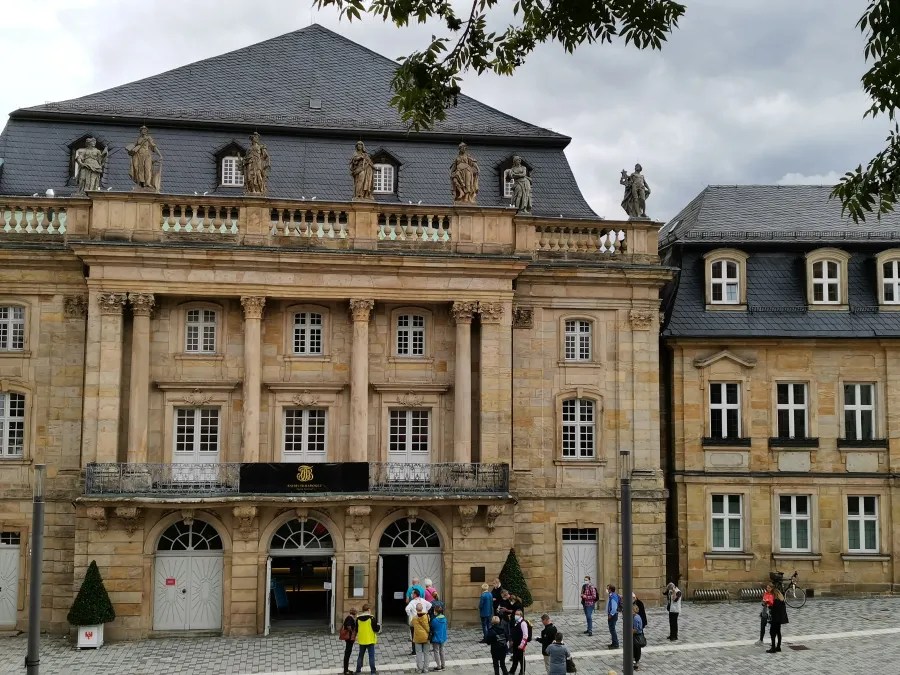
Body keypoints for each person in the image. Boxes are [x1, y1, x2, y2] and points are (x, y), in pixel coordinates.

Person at [127, 125, 162, 190]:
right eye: (142, 130)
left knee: (148, 168)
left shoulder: (149, 138)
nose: (143, 131)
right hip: (139, 155)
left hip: (147, 155)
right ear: (140, 131)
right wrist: (129, 149)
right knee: (140, 169)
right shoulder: (138, 139)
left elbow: (154, 147)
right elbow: (133, 146)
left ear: (146, 131)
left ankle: (148, 183)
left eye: (145, 130)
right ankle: (141, 183)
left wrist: (160, 155)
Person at [354, 604, 380, 674]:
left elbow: (356, 629)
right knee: (371, 657)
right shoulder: (372, 618)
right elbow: (376, 629)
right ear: (368, 610)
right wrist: (378, 625)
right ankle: (373, 672)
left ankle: (358, 670)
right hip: (370, 640)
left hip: (362, 640)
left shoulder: (358, 619)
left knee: (360, 656)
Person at [405, 590, 432, 656]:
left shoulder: (412, 602)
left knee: (414, 636)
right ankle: (423, 649)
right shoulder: (423, 600)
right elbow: (430, 605)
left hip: (415, 620)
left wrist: (410, 615)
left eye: (412, 593)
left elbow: (407, 609)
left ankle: (414, 651)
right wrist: (426, 611)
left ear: (415, 594)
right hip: (423, 619)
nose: (411, 595)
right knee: (424, 633)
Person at [767, 586, 789, 653]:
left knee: (772, 632)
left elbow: (773, 609)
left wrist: (769, 605)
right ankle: (778, 647)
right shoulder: (781, 600)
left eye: (769, 588)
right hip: (779, 619)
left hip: (775, 619)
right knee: (778, 632)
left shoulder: (775, 601)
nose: (767, 589)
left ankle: (773, 648)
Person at [411, 602, 431, 673]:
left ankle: (419, 669)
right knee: (426, 653)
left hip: (418, 638)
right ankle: (426, 669)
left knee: (418, 653)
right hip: (426, 637)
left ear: (416, 609)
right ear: (422, 608)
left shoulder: (414, 618)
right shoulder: (427, 616)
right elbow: (428, 627)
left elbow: (411, 625)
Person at [508, 609, 529, 675]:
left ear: (521, 615)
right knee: (515, 657)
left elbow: (525, 635)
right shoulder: (516, 622)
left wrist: (522, 645)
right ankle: (512, 670)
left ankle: (522, 671)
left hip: (520, 644)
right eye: (515, 614)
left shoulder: (523, 623)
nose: (516, 615)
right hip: (515, 643)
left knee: (521, 658)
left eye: (517, 614)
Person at [430, 601, 448, 671]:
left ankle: (438, 666)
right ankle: (443, 664)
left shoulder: (434, 620)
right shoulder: (445, 619)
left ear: (436, 612)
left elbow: (432, 628)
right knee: (442, 651)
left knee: (436, 652)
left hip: (436, 638)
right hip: (443, 637)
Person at [341, 607, 358, 675]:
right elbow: (348, 626)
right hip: (349, 638)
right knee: (347, 654)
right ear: (354, 613)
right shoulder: (350, 618)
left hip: (349, 638)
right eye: (356, 612)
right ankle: (345, 671)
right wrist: (352, 631)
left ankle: (346, 669)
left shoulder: (350, 618)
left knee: (348, 653)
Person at [606, 584, 621, 649]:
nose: (606, 590)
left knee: (612, 630)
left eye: (607, 588)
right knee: (612, 630)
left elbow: (614, 608)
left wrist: (610, 615)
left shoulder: (613, 596)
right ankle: (613, 643)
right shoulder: (611, 595)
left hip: (613, 615)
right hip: (612, 615)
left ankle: (616, 644)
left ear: (610, 590)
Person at [632, 602, 645, 671]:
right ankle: (635, 662)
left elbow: (636, 629)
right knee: (636, 649)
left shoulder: (635, 618)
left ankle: (636, 663)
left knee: (636, 649)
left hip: (636, 635)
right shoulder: (637, 616)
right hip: (637, 634)